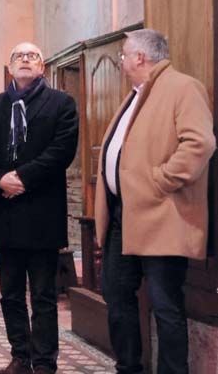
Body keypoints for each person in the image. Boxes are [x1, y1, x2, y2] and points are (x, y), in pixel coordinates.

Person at [95, 29, 215, 374]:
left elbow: (200, 144)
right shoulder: (136, 94)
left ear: (140, 58)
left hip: (163, 214)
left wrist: (159, 180)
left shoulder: (182, 87)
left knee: (165, 304)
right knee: (116, 295)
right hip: (124, 217)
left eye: (123, 55)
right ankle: (129, 367)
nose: (121, 62)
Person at [0, 43, 79, 374]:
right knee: (10, 294)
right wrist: (0, 179)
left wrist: (20, 177)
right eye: (18, 55)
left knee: (44, 295)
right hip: (6, 212)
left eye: (31, 56)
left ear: (42, 67)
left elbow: (62, 150)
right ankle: (20, 357)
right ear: (9, 65)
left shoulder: (61, 103)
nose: (24, 60)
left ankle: (45, 362)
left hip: (42, 210)